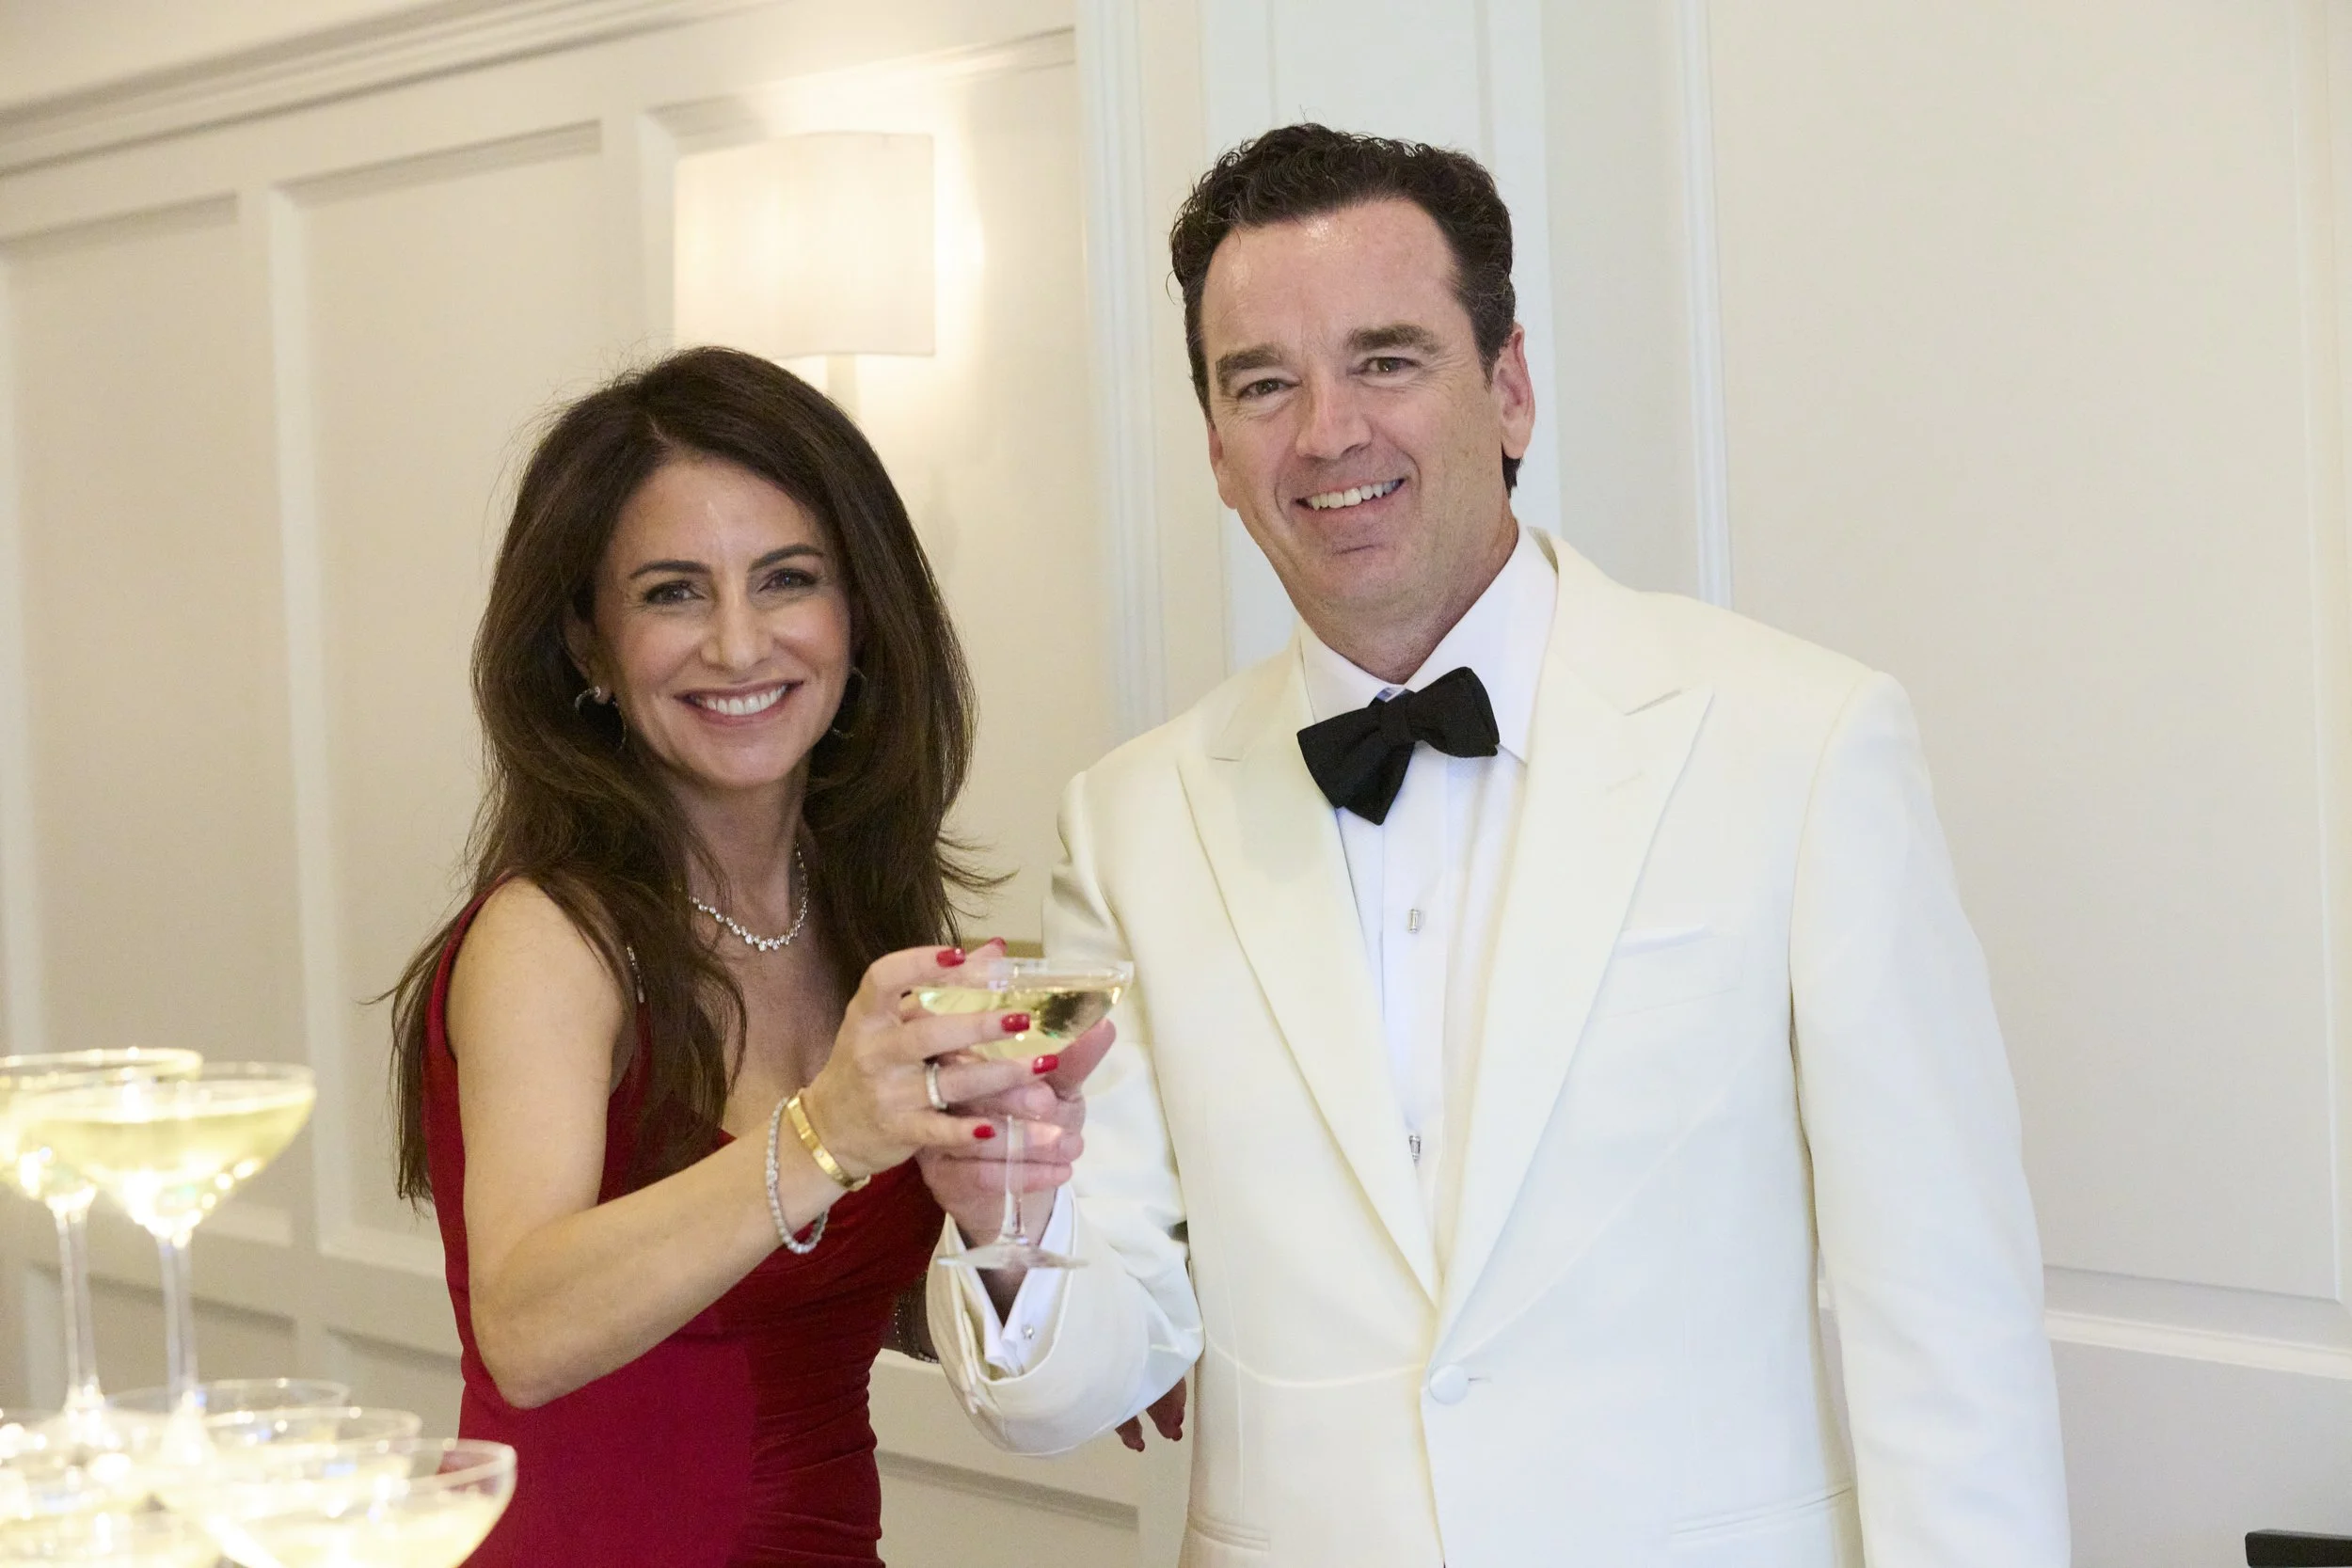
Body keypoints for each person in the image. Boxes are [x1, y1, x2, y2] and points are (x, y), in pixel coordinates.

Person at [917, 126, 2071, 1566]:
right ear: (1216, 449)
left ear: (1509, 387)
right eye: (1261, 383)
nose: (1327, 429)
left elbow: (1947, 1319)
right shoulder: (1132, 820)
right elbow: (1094, 1366)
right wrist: (1010, 1225)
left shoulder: (1805, 742)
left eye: (1385, 358)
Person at [387, 346, 1072, 1567]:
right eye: (671, 592)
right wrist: (825, 1133)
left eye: (787, 579)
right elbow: (526, 1327)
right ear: (587, 648)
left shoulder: (865, 916)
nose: (740, 642)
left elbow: (866, 1300)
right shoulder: (550, 937)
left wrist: (1007, 1227)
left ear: (858, 618)